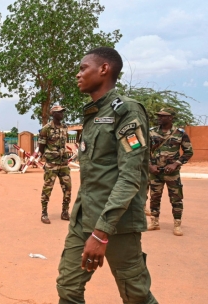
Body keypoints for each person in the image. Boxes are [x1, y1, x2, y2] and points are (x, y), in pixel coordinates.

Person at [56, 47, 158, 303]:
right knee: (68, 288)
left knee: (136, 295)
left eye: (83, 68)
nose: (78, 75)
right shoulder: (93, 113)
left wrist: (101, 232)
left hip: (117, 224)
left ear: (104, 69)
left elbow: (130, 177)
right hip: (84, 218)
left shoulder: (126, 112)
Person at [147, 107, 193, 236]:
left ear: (171, 118)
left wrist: (176, 164)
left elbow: (188, 152)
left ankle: (177, 224)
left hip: (171, 173)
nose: (159, 118)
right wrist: (150, 166)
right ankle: (154, 222)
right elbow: (143, 152)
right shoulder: (151, 132)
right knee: (154, 198)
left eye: (163, 116)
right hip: (155, 172)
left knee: (176, 198)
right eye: (159, 115)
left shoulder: (180, 133)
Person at [38, 106, 72, 223]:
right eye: (59, 112)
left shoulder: (64, 127)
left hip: (63, 163)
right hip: (51, 164)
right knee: (47, 188)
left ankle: (65, 212)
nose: (62, 114)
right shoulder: (46, 129)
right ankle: (44, 213)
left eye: (63, 112)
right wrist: (46, 158)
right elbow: (41, 146)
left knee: (67, 188)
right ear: (53, 114)